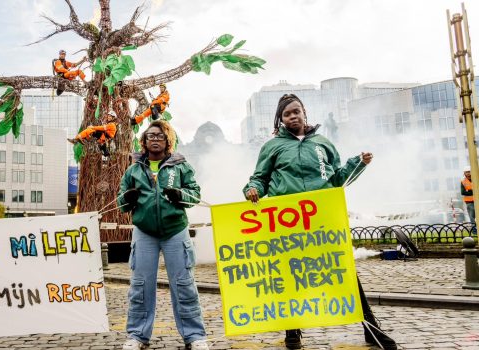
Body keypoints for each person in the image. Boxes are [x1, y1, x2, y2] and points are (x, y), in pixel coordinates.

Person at [243, 94, 396, 350]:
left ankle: (371, 327)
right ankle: (293, 330)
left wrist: (357, 164)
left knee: (344, 272)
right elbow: (260, 178)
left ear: (304, 112)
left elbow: (337, 179)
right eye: (287, 114)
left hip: (322, 219)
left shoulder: (323, 143)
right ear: (280, 119)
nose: (293, 116)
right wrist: (251, 189)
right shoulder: (272, 147)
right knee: (291, 274)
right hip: (288, 221)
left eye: (296, 111)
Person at [117, 120, 209, 350]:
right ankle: (137, 336)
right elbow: (120, 203)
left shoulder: (181, 166)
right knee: (140, 284)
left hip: (175, 231)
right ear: (144, 142)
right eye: (150, 136)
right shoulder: (133, 170)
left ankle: (195, 336)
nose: (155, 139)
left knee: (184, 283)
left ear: (168, 140)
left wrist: (181, 194)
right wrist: (126, 199)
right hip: (144, 232)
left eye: (159, 136)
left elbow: (195, 194)